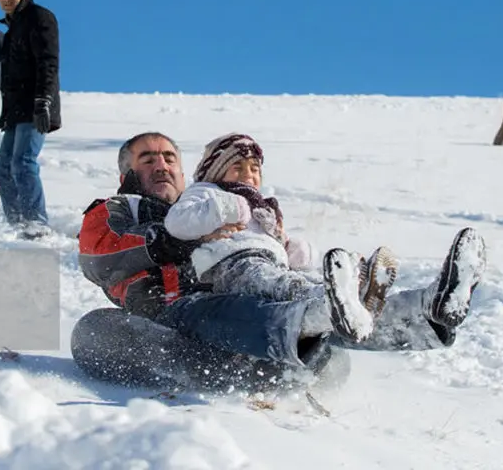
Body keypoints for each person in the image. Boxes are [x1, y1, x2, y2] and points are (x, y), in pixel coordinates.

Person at [78, 131, 486, 371]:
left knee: (311, 305)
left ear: (185, 172)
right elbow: (100, 256)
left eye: (170, 157)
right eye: (148, 159)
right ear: (126, 173)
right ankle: (304, 327)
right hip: (170, 319)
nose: (163, 165)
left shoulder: (209, 204)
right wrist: (173, 239)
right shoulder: (119, 209)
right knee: (92, 331)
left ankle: (424, 314)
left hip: (243, 314)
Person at [164, 133, 394, 342]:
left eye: (254, 169)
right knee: (280, 284)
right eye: (237, 166)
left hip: (269, 260)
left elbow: (276, 241)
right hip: (230, 263)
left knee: (292, 278)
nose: (248, 174)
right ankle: (333, 298)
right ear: (215, 170)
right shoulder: (205, 191)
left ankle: (354, 295)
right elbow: (176, 222)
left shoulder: (262, 208)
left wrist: (292, 249)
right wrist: (226, 207)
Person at [0, 0, 61, 239]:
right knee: (1, 168)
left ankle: (36, 224)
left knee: (23, 163)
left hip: (36, 106)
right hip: (16, 110)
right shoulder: (11, 28)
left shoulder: (40, 18)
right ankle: (17, 222)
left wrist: (43, 100)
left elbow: (49, 62)